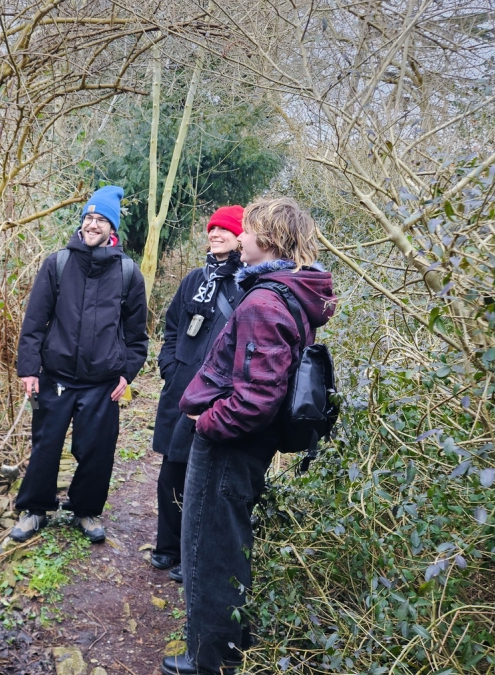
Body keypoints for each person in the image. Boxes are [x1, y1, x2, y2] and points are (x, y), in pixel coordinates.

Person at [161, 197, 337, 675]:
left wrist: (206, 423)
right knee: (228, 541)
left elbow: (256, 398)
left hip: (228, 446)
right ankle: (233, 641)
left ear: (271, 240)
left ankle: (209, 659)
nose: (239, 238)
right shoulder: (288, 294)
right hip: (246, 447)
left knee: (208, 548)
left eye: (248, 231)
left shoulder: (264, 301)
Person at [10, 185, 149, 544]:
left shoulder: (129, 273)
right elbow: (34, 322)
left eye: (100, 220)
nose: (91, 224)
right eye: (88, 217)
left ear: (111, 231)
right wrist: (28, 369)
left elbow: (137, 336)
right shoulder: (57, 264)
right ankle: (34, 509)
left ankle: (85, 510)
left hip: (102, 382)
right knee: (45, 444)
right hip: (55, 376)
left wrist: (126, 372)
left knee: (96, 449)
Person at [150, 206, 245, 583]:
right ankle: (166, 547)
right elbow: (172, 326)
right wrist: (169, 366)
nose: (216, 234)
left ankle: (191, 559)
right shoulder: (194, 279)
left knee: (201, 478)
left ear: (241, 237)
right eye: (213, 229)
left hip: (215, 399)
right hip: (180, 390)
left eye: (225, 229)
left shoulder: (246, 285)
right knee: (170, 472)